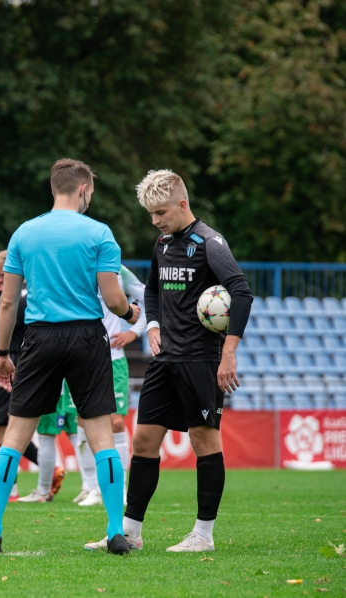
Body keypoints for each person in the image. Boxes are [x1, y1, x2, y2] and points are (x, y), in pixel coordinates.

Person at [0, 159, 140, 556]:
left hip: (39, 338)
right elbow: (113, 298)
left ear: (54, 188)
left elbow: (8, 303)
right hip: (87, 337)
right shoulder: (99, 233)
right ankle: (115, 531)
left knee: (16, 436)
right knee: (101, 435)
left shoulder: (24, 233)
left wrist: (2, 353)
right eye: (91, 193)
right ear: (83, 190)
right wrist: (130, 314)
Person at [114, 169, 251, 553]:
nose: (155, 221)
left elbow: (241, 292)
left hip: (201, 359)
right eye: (151, 214)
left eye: (160, 213)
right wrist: (152, 325)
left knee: (203, 440)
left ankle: (203, 535)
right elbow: (152, 291)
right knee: (143, 440)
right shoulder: (162, 244)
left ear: (182, 204)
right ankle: (130, 533)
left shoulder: (210, 243)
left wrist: (228, 353)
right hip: (166, 359)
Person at [76, 265, 146, 507]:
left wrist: (134, 332)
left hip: (113, 359)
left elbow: (149, 298)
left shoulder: (117, 269)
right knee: (83, 421)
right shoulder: (74, 259)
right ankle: (92, 488)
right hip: (78, 357)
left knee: (116, 422)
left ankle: (120, 487)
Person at [0, 251, 42, 503]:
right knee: (8, 425)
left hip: (14, 362)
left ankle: (18, 485)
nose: (0, 280)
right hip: (20, 360)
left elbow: (8, 324)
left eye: (2, 275)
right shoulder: (29, 293)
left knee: (6, 426)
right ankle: (38, 474)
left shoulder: (21, 297)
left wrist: (1, 297)